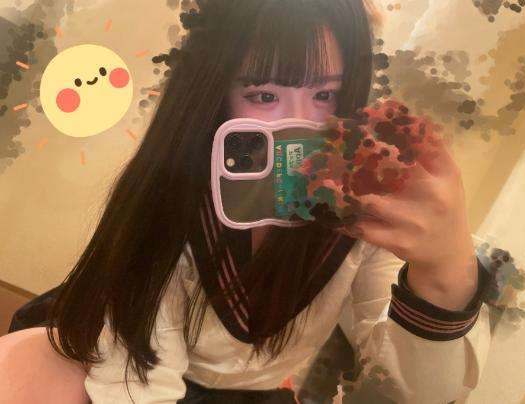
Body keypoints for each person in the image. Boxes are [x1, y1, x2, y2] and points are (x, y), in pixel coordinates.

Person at [24, 0, 491, 403]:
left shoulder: (361, 211)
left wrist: (445, 274)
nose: (300, 125)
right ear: (214, 94)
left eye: (325, 94)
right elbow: (143, 380)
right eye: (264, 94)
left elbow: (407, 390)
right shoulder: (174, 201)